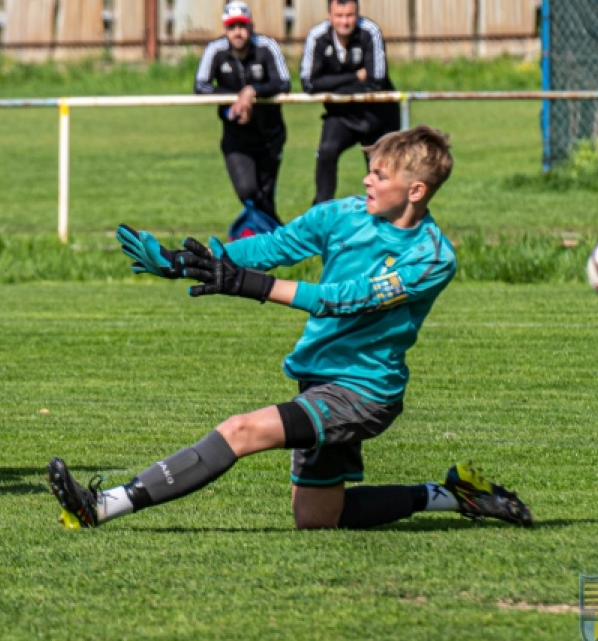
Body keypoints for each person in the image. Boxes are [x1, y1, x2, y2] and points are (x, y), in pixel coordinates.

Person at [49, 126, 533, 531]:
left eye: (379, 175)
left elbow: (346, 300)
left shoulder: (431, 257)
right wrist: (179, 263)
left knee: (240, 430)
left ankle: (102, 505)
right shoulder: (341, 215)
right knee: (318, 519)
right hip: (320, 378)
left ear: (415, 190)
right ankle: (452, 496)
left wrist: (246, 286)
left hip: (363, 392)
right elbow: (271, 247)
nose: (366, 180)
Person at [301, 0, 401, 205]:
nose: (345, 21)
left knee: (382, 169)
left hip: (378, 115)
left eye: (350, 15)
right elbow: (309, 84)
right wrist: (355, 76)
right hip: (342, 115)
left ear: (358, 14)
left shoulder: (371, 31)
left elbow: (376, 81)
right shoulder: (317, 37)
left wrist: (330, 84)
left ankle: (388, 218)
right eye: (339, 15)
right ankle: (321, 213)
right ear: (330, 16)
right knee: (326, 152)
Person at [194, 1, 291, 226]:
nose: (238, 32)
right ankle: (280, 235)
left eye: (242, 26)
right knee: (248, 191)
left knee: (265, 196)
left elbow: (284, 83)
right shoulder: (215, 50)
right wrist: (238, 100)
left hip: (270, 134)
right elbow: (201, 87)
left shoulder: (268, 47)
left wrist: (253, 91)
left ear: (251, 26)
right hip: (236, 137)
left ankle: (265, 244)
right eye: (232, 26)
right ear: (225, 29)